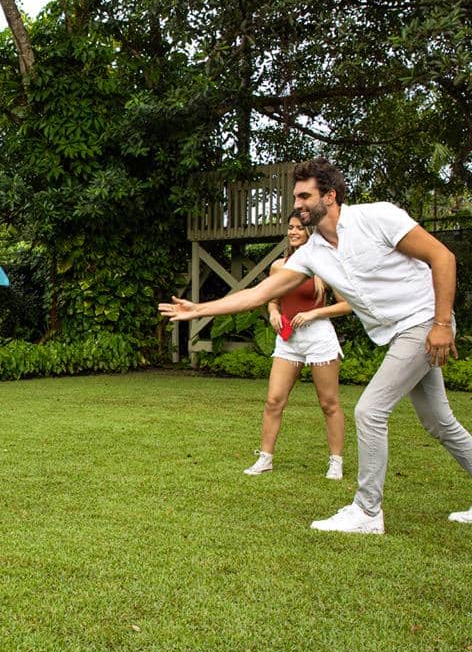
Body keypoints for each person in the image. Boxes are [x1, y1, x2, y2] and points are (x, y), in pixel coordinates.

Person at [161, 156, 472, 534]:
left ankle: (367, 511)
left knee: (370, 411)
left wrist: (441, 324)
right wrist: (200, 309)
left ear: (331, 195)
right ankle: (369, 510)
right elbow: (260, 294)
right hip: (398, 334)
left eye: (306, 195)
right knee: (439, 422)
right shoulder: (312, 253)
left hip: (423, 323)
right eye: (296, 196)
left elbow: (443, 256)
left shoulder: (378, 217)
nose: (299, 204)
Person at [242, 212, 352, 479]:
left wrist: (315, 313)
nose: (293, 232)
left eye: (299, 228)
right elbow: (272, 298)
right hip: (288, 339)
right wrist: (272, 311)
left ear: (309, 232)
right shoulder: (279, 267)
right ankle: (265, 458)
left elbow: (347, 304)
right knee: (273, 401)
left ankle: (335, 461)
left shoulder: (323, 265)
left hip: (318, 336)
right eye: (290, 228)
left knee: (328, 403)